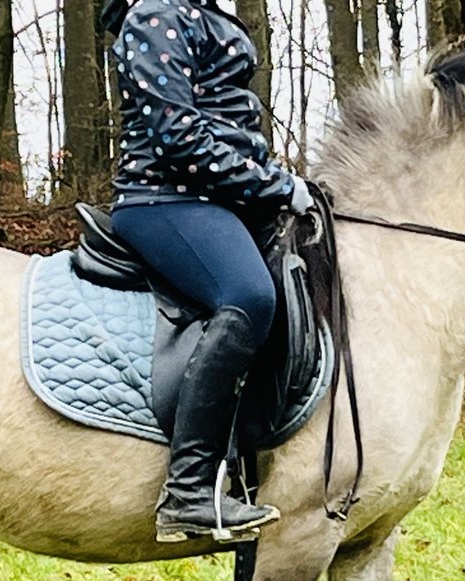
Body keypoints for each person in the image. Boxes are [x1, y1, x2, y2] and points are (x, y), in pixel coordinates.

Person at [100, 0, 315, 543]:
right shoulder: (154, 13)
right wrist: (276, 187)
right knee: (248, 296)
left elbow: (229, 125)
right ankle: (188, 492)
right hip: (162, 197)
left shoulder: (201, 13)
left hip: (217, 198)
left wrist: (270, 180)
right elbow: (177, 136)